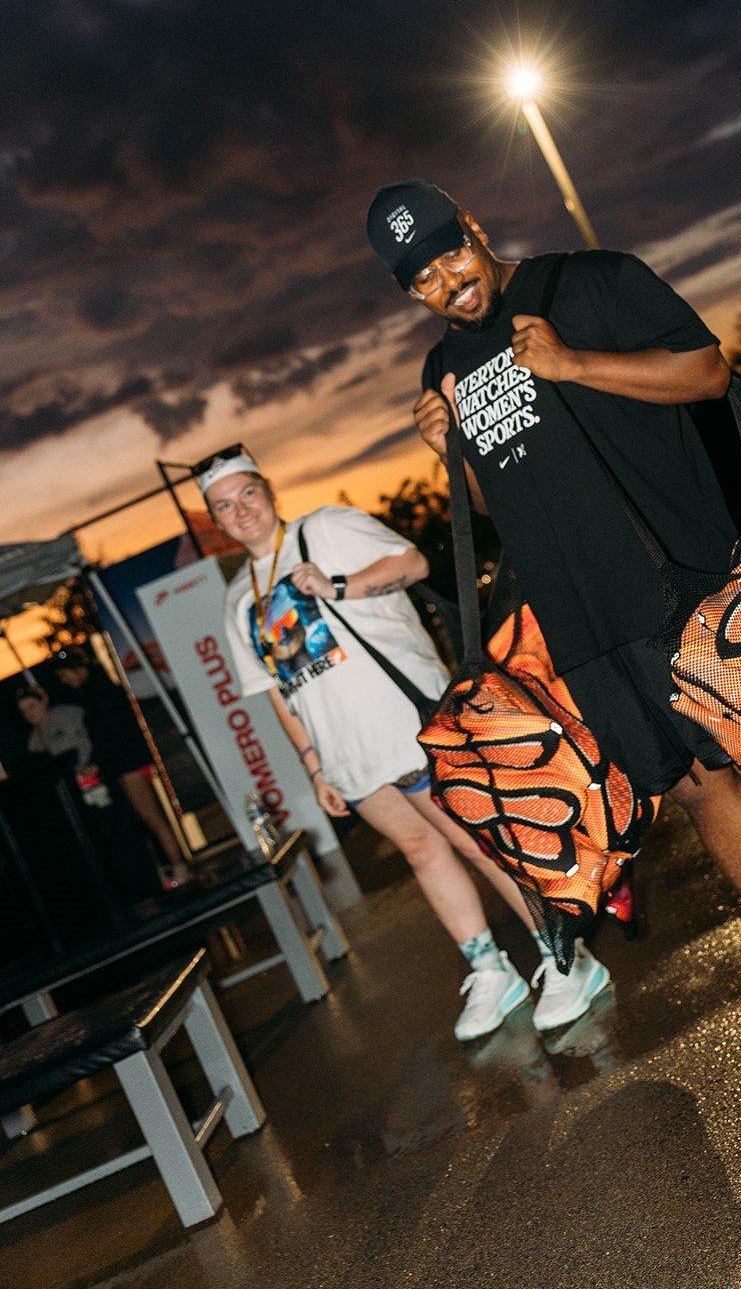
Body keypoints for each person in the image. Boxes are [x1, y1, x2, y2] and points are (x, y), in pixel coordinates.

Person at [366, 179, 741, 1072]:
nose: (447, 281)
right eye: (422, 278)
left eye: (450, 253)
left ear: (473, 229)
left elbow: (705, 371)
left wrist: (571, 364)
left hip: (686, 579)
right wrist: (443, 446)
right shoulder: (440, 367)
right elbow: (495, 502)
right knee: (695, 784)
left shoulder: (587, 282)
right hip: (586, 619)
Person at [197, 444, 610, 1039]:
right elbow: (279, 693)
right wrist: (314, 767)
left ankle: (569, 958)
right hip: (347, 753)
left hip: (410, 723)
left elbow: (412, 564)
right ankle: (491, 971)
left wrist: (337, 585)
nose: (241, 511)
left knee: (478, 843)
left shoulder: (325, 529)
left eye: (247, 494)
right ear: (215, 521)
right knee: (421, 851)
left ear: (268, 490)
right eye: (223, 506)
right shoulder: (239, 600)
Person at [52, 648, 192, 890]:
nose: (66, 681)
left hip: (127, 765)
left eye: (66, 675)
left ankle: (179, 867)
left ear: (77, 670)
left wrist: (99, 763)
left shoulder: (99, 697)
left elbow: (110, 737)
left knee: (151, 817)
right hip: (127, 763)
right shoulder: (101, 691)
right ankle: (173, 867)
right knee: (149, 818)